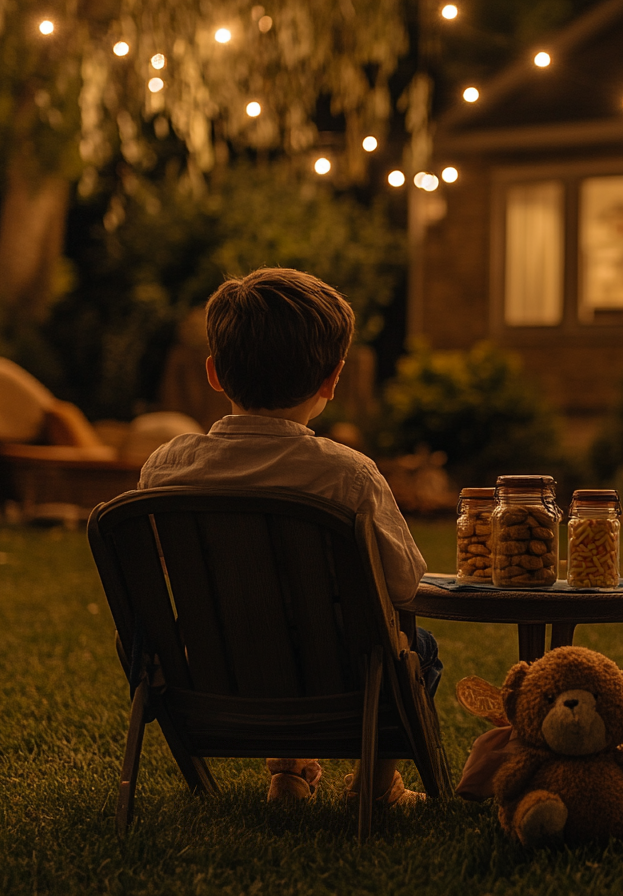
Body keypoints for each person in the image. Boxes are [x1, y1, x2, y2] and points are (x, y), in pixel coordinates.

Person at [139, 267, 438, 807]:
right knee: (417, 648)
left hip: (209, 673)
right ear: (332, 379)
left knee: (262, 632)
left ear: (213, 372)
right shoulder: (347, 474)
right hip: (340, 681)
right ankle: (377, 786)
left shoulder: (166, 467)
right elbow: (407, 586)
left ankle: (289, 770)